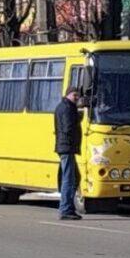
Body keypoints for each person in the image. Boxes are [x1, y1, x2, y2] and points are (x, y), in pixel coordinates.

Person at [54, 87, 82, 220]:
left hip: (66, 148)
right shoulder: (67, 108)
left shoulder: (66, 106)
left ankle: (68, 207)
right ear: (68, 95)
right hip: (67, 148)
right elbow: (67, 127)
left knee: (75, 177)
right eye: (75, 95)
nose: (77, 98)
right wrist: (78, 118)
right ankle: (65, 209)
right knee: (69, 179)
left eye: (78, 96)